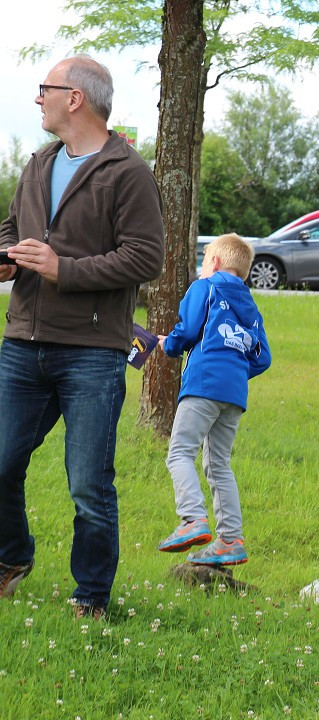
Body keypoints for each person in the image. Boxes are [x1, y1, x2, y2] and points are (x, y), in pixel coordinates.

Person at [0, 56, 165, 617]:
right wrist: (6, 257)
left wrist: (62, 269)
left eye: (45, 88)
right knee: (0, 462)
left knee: (88, 486)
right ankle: (12, 556)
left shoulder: (128, 171)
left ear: (76, 99)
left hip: (92, 354)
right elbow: (15, 227)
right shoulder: (39, 162)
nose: (38, 98)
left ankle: (91, 596)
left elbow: (147, 257)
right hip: (23, 342)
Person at [156, 234, 271, 567]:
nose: (202, 268)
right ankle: (231, 540)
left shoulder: (203, 287)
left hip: (203, 384)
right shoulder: (251, 306)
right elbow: (263, 358)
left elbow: (187, 329)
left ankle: (192, 519)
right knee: (218, 465)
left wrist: (170, 346)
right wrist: (233, 372)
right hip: (234, 395)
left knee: (180, 453)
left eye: (204, 262)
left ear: (215, 263)